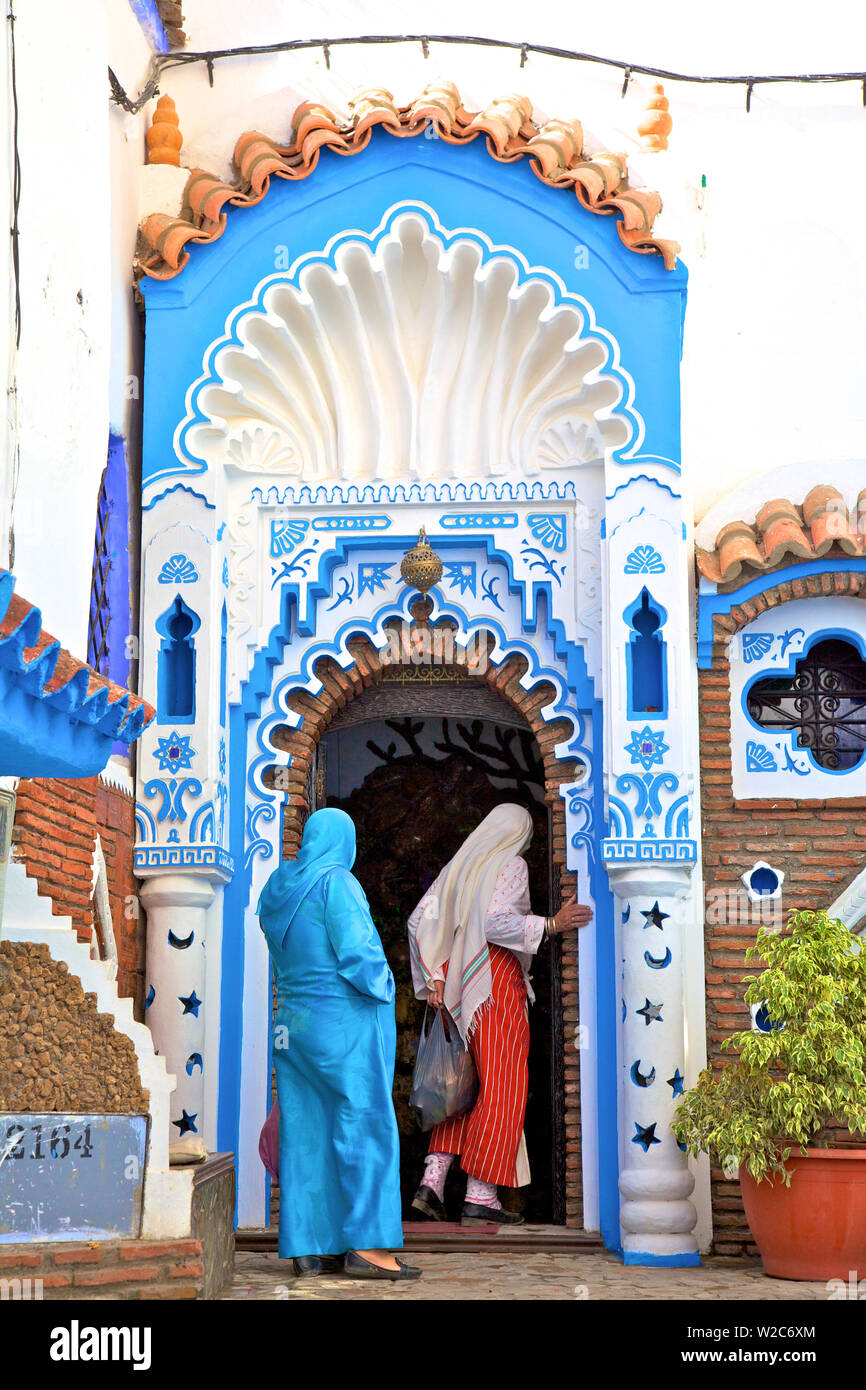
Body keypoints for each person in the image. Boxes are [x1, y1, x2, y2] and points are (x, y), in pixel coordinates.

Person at [407, 802, 592, 1225]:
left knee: (462, 1084)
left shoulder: (459, 868)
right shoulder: (510, 864)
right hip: (492, 982)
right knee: (502, 1085)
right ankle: (480, 1194)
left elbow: (419, 922)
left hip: (455, 983)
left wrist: (434, 977)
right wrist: (548, 925)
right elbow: (493, 923)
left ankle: (432, 1184)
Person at [257, 806, 421, 1280]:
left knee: (305, 1130)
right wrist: (387, 989)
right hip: (341, 1023)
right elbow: (360, 958)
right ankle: (368, 1247)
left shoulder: (275, 889)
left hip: (290, 1024)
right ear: (342, 842)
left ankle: (311, 1247)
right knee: (364, 1126)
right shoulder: (337, 883)